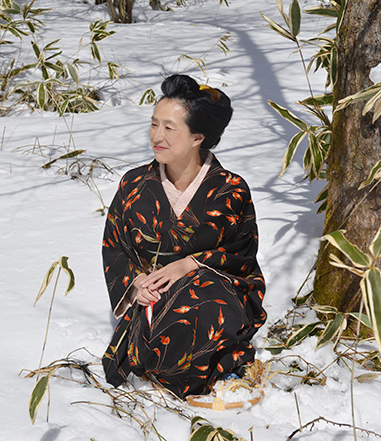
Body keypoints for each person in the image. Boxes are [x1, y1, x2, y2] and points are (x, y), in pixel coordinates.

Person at [102, 74, 266, 399]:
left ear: (197, 137)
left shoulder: (231, 189)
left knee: (204, 299)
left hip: (215, 299)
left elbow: (242, 255)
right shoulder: (133, 185)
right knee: (166, 316)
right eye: (154, 124)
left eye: (169, 127)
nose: (157, 136)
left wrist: (190, 265)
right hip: (150, 302)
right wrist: (136, 285)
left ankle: (204, 374)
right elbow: (115, 247)